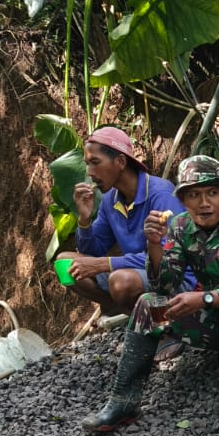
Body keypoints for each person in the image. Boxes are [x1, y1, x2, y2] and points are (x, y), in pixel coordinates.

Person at [77, 156, 219, 436]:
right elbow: (165, 285)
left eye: (211, 193)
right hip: (214, 323)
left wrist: (204, 299)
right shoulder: (181, 226)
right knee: (149, 305)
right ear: (183, 200)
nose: (204, 202)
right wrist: (155, 245)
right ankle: (123, 402)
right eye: (194, 195)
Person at [55, 126, 187, 316]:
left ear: (120, 161)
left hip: (172, 278)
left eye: (95, 162)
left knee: (121, 281)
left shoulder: (160, 194)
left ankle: (162, 317)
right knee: (65, 263)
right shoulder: (111, 200)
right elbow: (92, 252)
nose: (90, 172)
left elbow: (170, 257)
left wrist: (106, 264)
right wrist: (84, 219)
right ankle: (129, 313)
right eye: (87, 164)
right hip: (132, 273)